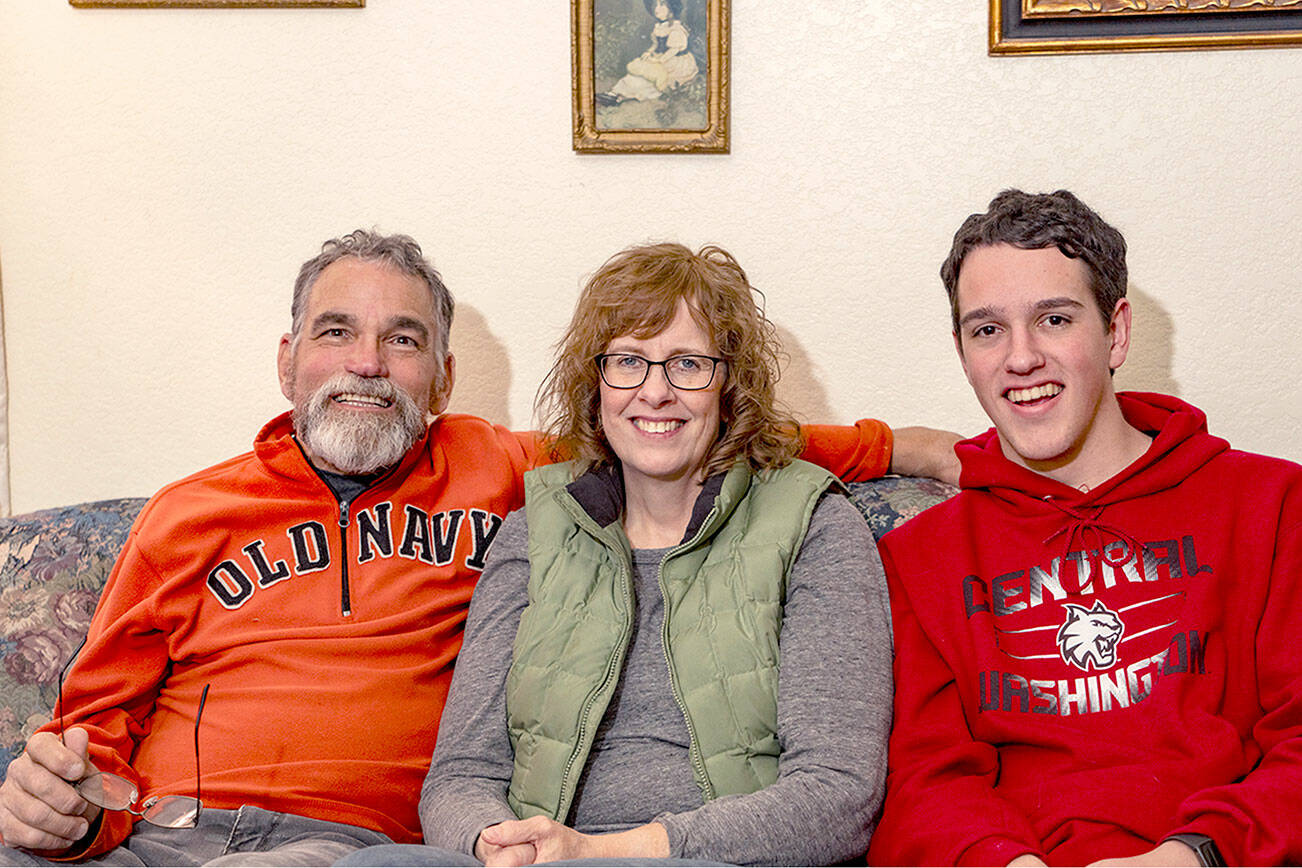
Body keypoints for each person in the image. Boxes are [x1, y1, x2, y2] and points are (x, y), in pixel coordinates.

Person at [0, 231, 954, 866]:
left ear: (445, 376)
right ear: (288, 356)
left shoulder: (498, 472)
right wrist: (59, 805)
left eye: (402, 339)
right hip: (168, 834)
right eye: (338, 333)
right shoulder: (186, 512)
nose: (368, 363)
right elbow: (86, 739)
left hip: (360, 852)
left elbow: (690, 436)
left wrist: (898, 447)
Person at [343, 242, 891, 867]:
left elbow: (838, 795)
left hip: (710, 861)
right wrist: (500, 845)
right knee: (377, 865)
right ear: (595, 384)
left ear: (730, 385)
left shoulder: (816, 525)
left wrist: (601, 851)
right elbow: (461, 774)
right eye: (629, 362)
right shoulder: (533, 533)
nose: (654, 393)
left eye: (687, 364)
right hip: (537, 862)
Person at [867, 190, 1302, 867]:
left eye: (1054, 319)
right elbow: (925, 782)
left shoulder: (1272, 505)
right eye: (987, 329)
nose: (1021, 358)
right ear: (962, 351)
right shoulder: (917, 558)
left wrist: (1193, 857)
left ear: (1116, 332)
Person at [596, 0, 699, 106]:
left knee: (651, 82)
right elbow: (655, 45)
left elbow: (674, 50)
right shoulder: (660, 27)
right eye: (655, 5)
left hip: (676, 62)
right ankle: (614, 94)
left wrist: (659, 60)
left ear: (672, 9)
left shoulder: (676, 29)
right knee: (638, 74)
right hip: (661, 57)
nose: (656, 9)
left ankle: (619, 96)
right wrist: (649, 52)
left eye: (662, 5)